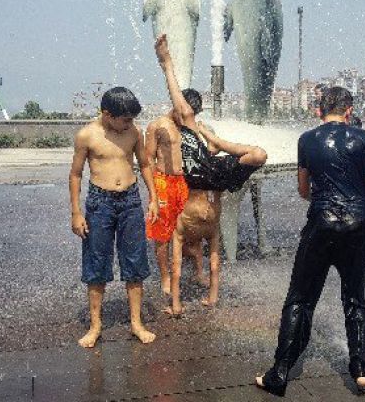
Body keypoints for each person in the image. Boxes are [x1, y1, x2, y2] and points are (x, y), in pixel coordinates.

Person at [255, 86, 365, 397]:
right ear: (349, 111)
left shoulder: (306, 140)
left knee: (299, 298)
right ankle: (362, 369)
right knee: (354, 299)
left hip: (321, 225)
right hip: (357, 227)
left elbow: (303, 190)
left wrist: (325, 197)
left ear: (318, 111)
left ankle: (280, 372)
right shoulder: (361, 138)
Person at [155, 34, 267, 317]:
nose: (177, 110)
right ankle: (209, 298)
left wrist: (210, 138)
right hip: (207, 194)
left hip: (203, 177)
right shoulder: (183, 129)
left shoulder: (190, 129)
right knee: (211, 251)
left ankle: (178, 305)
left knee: (259, 154)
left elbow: (179, 105)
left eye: (182, 109)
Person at [69, 87, 159, 347]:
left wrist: (152, 198)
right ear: (107, 114)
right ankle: (95, 326)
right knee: (96, 263)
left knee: (135, 262)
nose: (130, 124)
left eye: (132, 119)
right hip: (100, 203)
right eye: (125, 119)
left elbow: (144, 164)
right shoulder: (87, 135)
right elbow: (75, 174)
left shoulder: (133, 132)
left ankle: (136, 323)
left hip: (130, 201)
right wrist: (76, 213)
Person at [145, 109, 206, 295]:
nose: (188, 118)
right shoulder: (157, 126)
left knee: (190, 228)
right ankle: (165, 276)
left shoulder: (187, 127)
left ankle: (195, 271)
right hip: (164, 180)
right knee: (162, 233)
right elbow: (148, 159)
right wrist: (154, 191)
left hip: (183, 182)